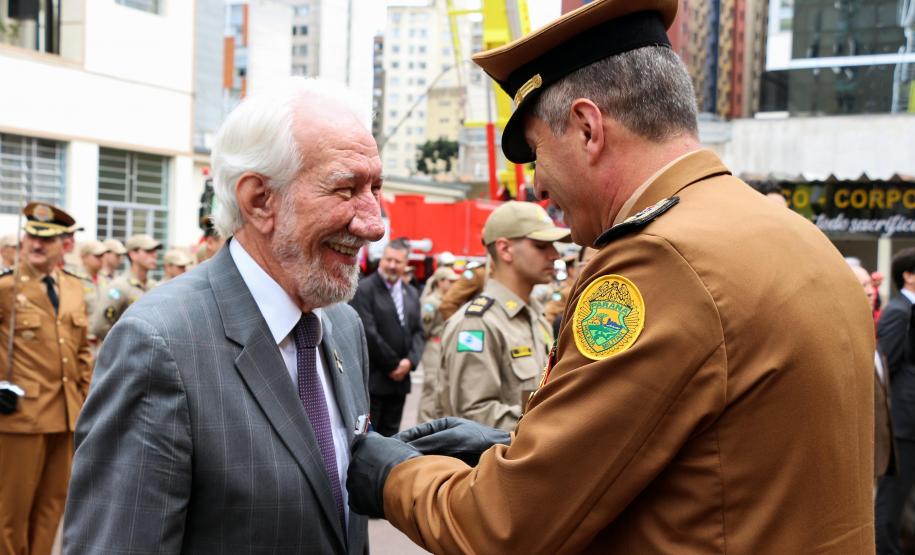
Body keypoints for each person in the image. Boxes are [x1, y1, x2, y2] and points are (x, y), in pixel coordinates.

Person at [346, 1, 876, 552]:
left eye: (537, 154)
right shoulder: (795, 236)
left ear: (587, 128)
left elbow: (504, 527)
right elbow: (730, 455)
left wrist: (391, 476)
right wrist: (516, 444)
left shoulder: (661, 260)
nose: (539, 186)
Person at [64, 77, 384, 553]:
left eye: (376, 187)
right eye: (345, 189)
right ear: (259, 200)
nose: (374, 223)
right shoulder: (159, 345)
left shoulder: (343, 325)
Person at [0, 203, 93, 555]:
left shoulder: (73, 287)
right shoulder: (7, 287)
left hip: (66, 414)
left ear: (64, 245)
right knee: (11, 512)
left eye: (47, 239)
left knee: (52, 508)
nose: (37, 245)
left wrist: (85, 400)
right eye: (32, 236)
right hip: (20, 416)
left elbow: (81, 350)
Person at [439, 201, 567, 430]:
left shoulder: (535, 317)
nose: (555, 254)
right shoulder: (477, 323)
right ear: (505, 249)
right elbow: (474, 417)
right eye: (541, 245)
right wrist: (552, 423)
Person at [349, 239, 424, 437]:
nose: (392, 265)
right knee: (369, 440)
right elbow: (368, 333)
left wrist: (410, 362)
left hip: (399, 385)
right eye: (388, 259)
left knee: (393, 439)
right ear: (381, 259)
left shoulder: (411, 293)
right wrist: (393, 366)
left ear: (405, 264)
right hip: (374, 382)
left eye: (397, 261)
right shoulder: (364, 289)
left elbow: (419, 331)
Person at [877, 247, 915, 554]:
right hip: (904, 420)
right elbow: (885, 366)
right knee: (892, 495)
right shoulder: (899, 311)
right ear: (908, 275)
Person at [89, 233, 161, 343]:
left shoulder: (154, 286)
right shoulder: (119, 286)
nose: (154, 255)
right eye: (148, 251)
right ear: (133, 254)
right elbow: (100, 327)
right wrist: (124, 345)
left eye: (155, 251)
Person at [416, 266, 460, 423]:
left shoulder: (445, 300)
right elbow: (425, 326)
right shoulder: (431, 302)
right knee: (431, 386)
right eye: (450, 281)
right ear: (440, 282)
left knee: (440, 386)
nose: (453, 284)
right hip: (433, 345)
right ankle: (423, 423)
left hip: (442, 345)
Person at [78, 240, 110, 348]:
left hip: (103, 341)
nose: (101, 259)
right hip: (84, 341)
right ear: (84, 257)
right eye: (97, 256)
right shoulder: (75, 280)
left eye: (103, 256)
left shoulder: (106, 280)